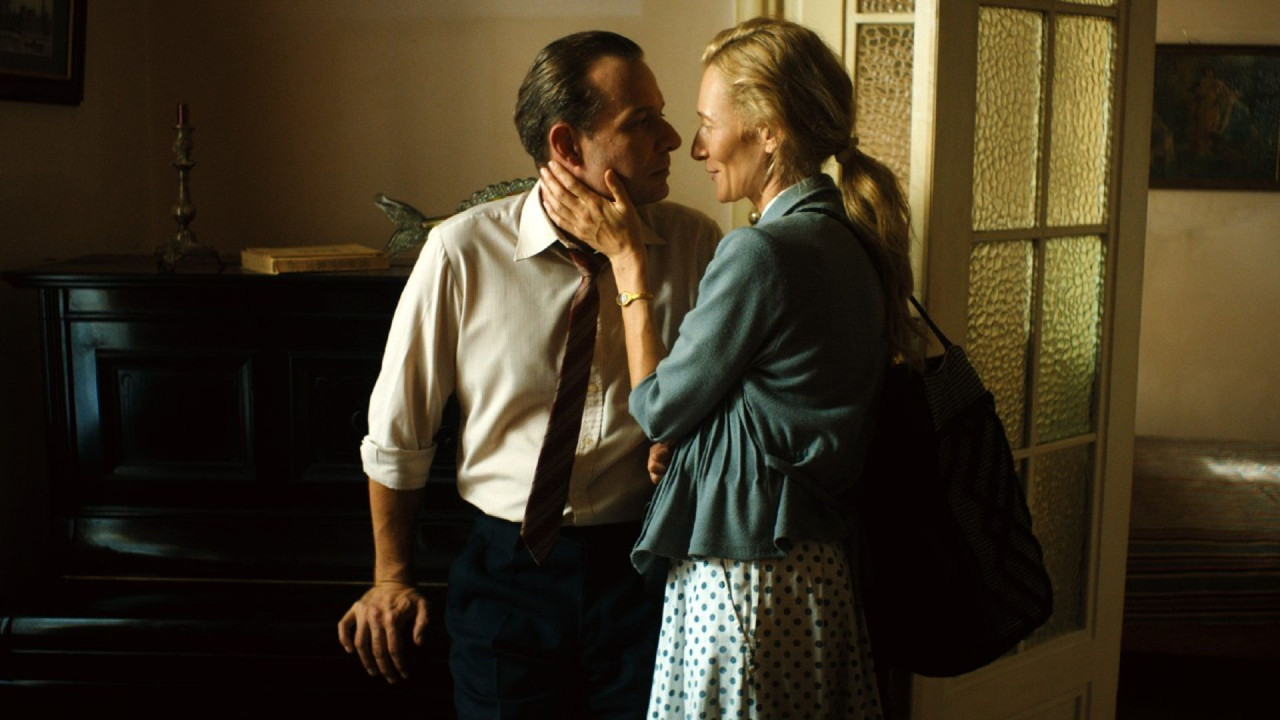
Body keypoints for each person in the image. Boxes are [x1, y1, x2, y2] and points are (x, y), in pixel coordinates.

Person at [336, 30, 721, 720]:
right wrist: (391, 577)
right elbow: (398, 433)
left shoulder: (697, 246)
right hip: (506, 578)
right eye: (642, 122)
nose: (673, 139)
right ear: (567, 145)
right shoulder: (461, 252)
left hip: (647, 572)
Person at [539, 17, 917, 720]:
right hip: (816, 572)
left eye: (709, 124)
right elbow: (784, 400)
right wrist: (700, 447)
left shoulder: (759, 253)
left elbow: (658, 407)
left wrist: (628, 264)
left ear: (768, 132)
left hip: (745, 578)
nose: (698, 146)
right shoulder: (850, 239)